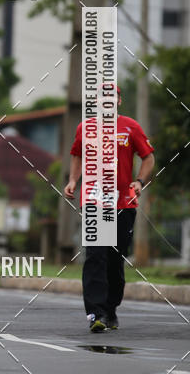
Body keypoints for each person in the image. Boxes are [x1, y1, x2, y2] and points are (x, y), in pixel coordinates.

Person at [64, 86, 155, 332]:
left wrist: (140, 181)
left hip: (123, 203)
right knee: (95, 255)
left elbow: (148, 157)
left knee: (115, 259)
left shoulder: (131, 127)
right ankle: (96, 313)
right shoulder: (85, 128)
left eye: (111, 97)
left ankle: (110, 309)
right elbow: (77, 155)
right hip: (93, 201)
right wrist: (73, 180)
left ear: (118, 101)